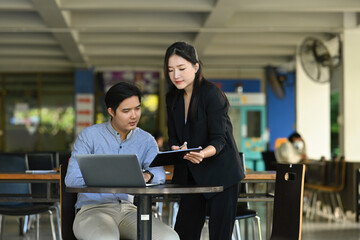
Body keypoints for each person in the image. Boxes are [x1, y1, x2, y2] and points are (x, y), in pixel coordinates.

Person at [65, 82, 179, 240]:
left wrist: (146, 176)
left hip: (128, 210)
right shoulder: (89, 136)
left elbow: (159, 173)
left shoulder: (146, 140)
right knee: (106, 237)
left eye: (137, 108)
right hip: (92, 210)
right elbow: (71, 179)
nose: (134, 116)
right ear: (111, 111)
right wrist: (112, 179)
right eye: (126, 111)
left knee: (169, 238)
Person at [164, 41, 245, 240]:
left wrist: (202, 153)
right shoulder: (172, 98)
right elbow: (173, 135)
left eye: (182, 68)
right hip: (192, 175)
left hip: (221, 175)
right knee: (183, 232)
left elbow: (220, 139)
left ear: (196, 66)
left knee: (219, 236)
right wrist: (176, 148)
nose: (176, 75)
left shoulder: (211, 94)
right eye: (171, 70)